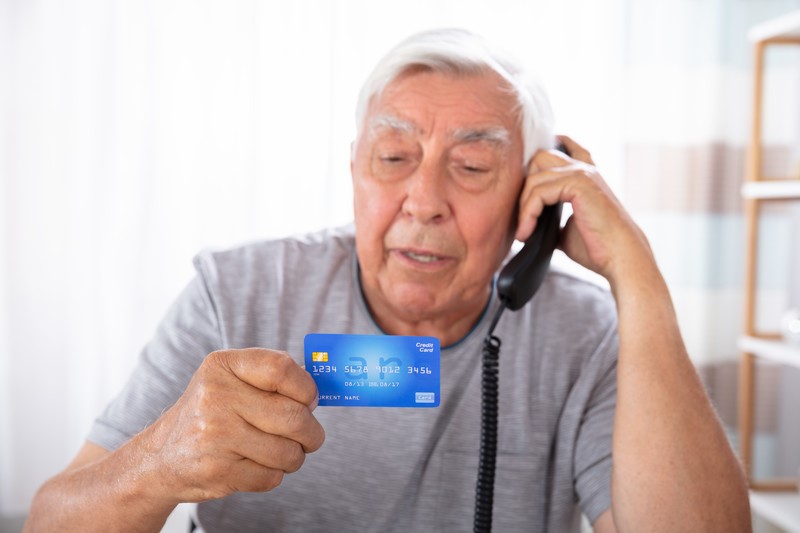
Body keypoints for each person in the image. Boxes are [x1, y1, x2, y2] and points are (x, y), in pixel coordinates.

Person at [26, 29, 750, 532]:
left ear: (537, 195)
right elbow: (50, 523)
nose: (425, 199)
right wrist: (158, 461)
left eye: (470, 167)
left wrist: (640, 279)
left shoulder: (586, 332)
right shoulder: (236, 289)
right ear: (353, 172)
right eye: (395, 156)